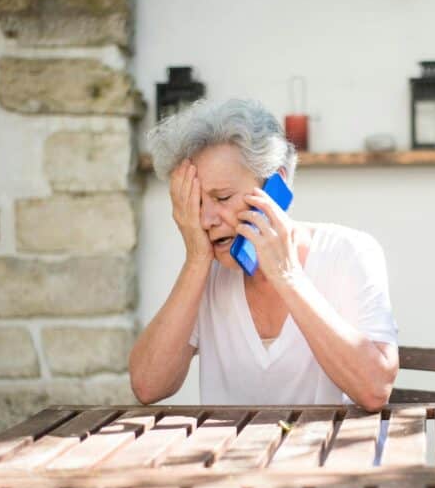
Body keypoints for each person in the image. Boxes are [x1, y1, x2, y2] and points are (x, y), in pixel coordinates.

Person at [129, 99, 399, 411]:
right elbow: (147, 386)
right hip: (226, 458)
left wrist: (288, 277)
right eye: (198, 205)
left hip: (326, 456)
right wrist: (195, 262)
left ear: (276, 184)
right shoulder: (206, 272)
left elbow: (375, 390)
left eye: (223, 197)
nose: (207, 220)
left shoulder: (349, 253)